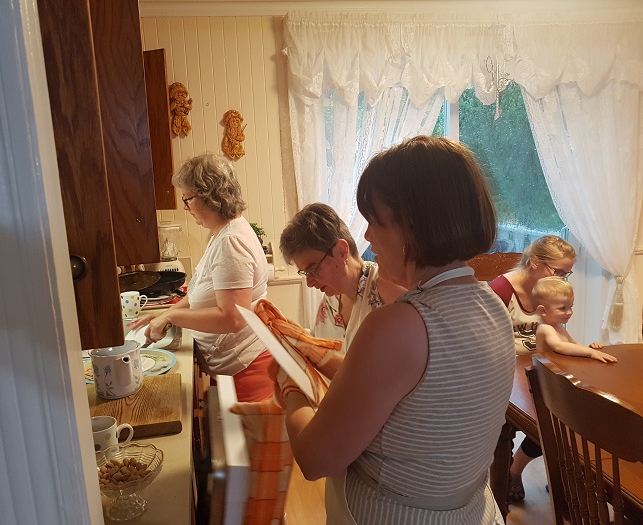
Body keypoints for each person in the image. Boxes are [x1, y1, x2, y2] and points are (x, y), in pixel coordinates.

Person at [275, 136, 515, 524]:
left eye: (375, 221)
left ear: (415, 225)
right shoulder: (492, 306)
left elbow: (315, 458)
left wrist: (292, 388)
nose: (367, 237)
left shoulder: (398, 325)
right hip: (473, 510)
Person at [128, 153, 273, 402]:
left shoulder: (231, 242)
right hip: (234, 368)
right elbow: (199, 294)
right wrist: (165, 314)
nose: (186, 208)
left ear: (208, 196)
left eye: (187, 199)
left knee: (245, 430)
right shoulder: (222, 233)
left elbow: (232, 318)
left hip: (247, 370)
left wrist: (172, 316)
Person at [489, 234, 576, 502]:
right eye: (558, 271)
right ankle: (511, 474)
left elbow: (558, 333)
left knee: (566, 416)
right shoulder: (500, 291)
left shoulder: (550, 290)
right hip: (505, 373)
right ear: (535, 262)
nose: (562, 279)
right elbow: (486, 345)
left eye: (567, 274)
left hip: (539, 368)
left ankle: (519, 469)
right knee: (548, 419)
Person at [279, 202, 405, 378]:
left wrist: (305, 346)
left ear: (341, 251)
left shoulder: (386, 290)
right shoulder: (330, 301)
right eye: (305, 273)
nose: (309, 283)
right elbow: (320, 347)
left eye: (313, 269)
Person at [534, 277, 617, 363]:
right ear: (543, 311)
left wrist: (591, 350)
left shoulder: (557, 325)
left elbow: (573, 344)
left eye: (571, 307)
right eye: (563, 308)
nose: (570, 312)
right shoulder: (545, 328)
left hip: (559, 367)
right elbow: (559, 346)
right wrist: (590, 352)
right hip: (546, 370)